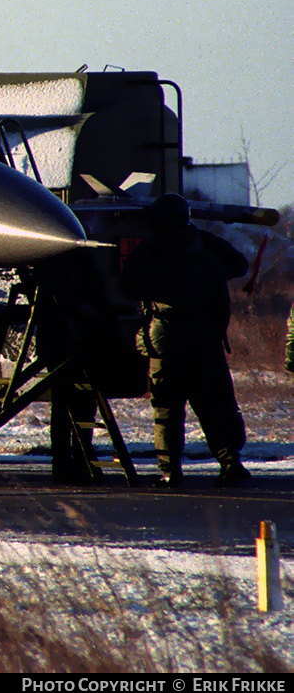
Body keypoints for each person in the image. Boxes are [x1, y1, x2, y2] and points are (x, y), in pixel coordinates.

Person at [121, 193, 250, 487]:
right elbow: (239, 265)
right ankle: (230, 462)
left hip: (164, 340)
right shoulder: (205, 244)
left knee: (166, 408)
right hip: (204, 338)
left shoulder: (147, 250)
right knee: (214, 403)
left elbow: (127, 287)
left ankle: (170, 471)